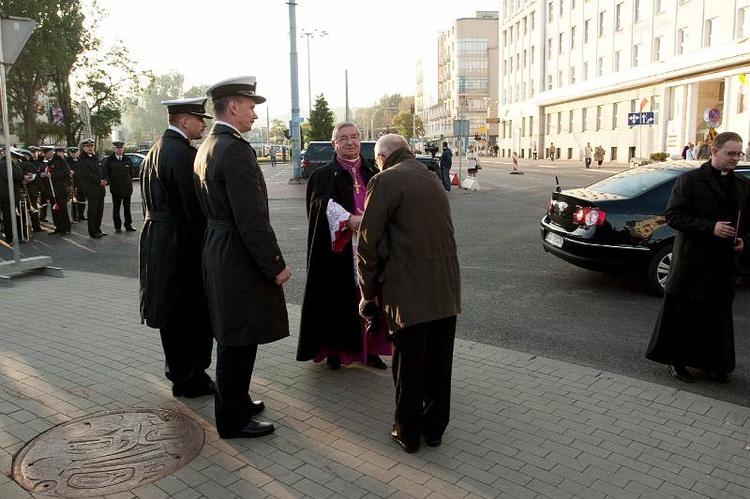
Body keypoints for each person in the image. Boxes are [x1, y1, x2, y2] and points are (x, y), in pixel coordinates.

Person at [194, 75, 292, 439]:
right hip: (237, 253)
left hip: (220, 248)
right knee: (237, 338)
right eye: (250, 107)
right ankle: (233, 419)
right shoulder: (234, 150)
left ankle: (237, 400)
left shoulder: (209, 145)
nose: (254, 114)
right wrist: (276, 265)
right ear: (233, 106)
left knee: (235, 333)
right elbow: (251, 219)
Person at [358, 134, 461, 454]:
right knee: (439, 364)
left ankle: (408, 432)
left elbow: (367, 243)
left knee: (409, 365)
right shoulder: (431, 177)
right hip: (445, 289)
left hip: (408, 292)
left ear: (381, 157)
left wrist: (368, 293)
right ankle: (435, 430)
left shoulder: (385, 181)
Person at [646, 131, 750, 384]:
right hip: (693, 260)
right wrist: (710, 227)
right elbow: (673, 216)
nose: (735, 158)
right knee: (685, 314)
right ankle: (676, 360)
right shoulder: (690, 180)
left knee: (716, 317)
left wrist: (744, 239)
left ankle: (714, 364)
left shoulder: (742, 185)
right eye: (730, 153)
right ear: (714, 152)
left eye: (738, 154)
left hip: (723, 263)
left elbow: (746, 222)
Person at [297, 122, 390, 370]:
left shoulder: (374, 172)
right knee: (338, 299)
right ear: (334, 144)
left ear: (361, 140)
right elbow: (319, 204)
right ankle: (335, 350)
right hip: (338, 250)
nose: (350, 142)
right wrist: (348, 219)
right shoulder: (323, 175)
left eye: (355, 137)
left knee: (371, 297)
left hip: (371, 249)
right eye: (343, 138)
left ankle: (370, 350)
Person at [140, 97, 216, 399]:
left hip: (158, 240)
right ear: (184, 121)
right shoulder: (184, 155)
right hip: (180, 243)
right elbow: (194, 210)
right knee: (190, 314)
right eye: (199, 119)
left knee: (172, 315)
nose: (204, 124)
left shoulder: (156, 150)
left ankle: (180, 373)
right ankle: (191, 379)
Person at [76, 138, 108, 238]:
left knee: (99, 210)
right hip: (91, 189)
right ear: (83, 148)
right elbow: (87, 175)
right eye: (87, 146)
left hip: (100, 189)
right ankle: (92, 231)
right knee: (93, 211)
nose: (90, 148)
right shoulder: (82, 160)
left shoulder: (95, 158)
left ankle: (98, 229)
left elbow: (103, 170)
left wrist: (105, 179)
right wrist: (99, 181)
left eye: (91, 146)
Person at [104, 140, 135, 233]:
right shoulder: (109, 160)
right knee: (116, 208)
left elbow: (131, 174)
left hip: (127, 187)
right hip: (116, 188)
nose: (119, 149)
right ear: (114, 149)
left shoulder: (127, 159)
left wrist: (129, 182)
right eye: (117, 148)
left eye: (121, 148)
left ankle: (128, 225)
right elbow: (106, 174)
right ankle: (117, 226)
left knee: (127, 207)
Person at [40, 146, 71, 235]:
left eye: (46, 153)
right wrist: (42, 175)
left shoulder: (60, 161)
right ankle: (58, 226)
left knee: (62, 209)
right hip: (50, 190)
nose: (44, 155)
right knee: (54, 210)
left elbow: (65, 172)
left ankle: (66, 228)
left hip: (60, 189)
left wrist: (53, 175)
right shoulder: (46, 162)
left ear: (50, 152)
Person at [66, 146, 86, 223]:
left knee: (82, 199)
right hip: (74, 183)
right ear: (70, 153)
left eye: (75, 153)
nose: (74, 154)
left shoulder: (80, 160)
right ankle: (74, 216)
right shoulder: (67, 161)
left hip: (81, 182)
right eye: (72, 153)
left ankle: (81, 215)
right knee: (75, 201)